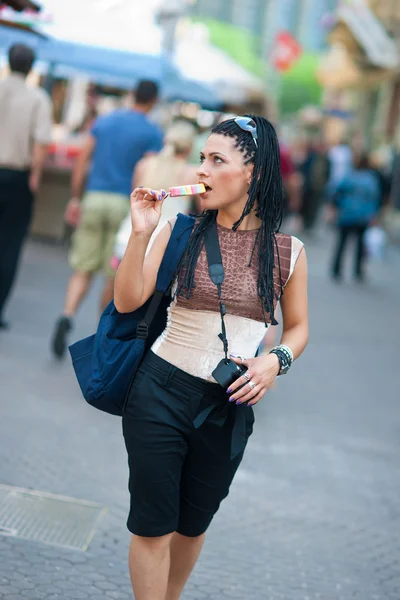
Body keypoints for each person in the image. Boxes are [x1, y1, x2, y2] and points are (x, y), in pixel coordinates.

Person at [114, 115, 309, 600]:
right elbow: (126, 302)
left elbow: (300, 328)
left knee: (192, 525)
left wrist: (275, 360)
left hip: (226, 407)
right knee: (153, 526)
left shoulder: (287, 252)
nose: (201, 169)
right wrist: (141, 234)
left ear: (254, 174)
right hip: (158, 392)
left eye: (216, 160)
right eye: (202, 157)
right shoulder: (179, 231)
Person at [51, 80, 163, 358]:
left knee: (82, 267)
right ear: (153, 101)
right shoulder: (152, 132)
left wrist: (77, 197)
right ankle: (102, 334)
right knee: (114, 274)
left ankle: (66, 314)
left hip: (95, 197)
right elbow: (147, 172)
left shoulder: (105, 121)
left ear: (132, 93)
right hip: (127, 205)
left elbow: (82, 158)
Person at [0, 43, 52, 329]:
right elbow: (42, 142)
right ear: (32, 67)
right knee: (9, 245)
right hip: (17, 178)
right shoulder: (38, 98)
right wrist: (35, 177)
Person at [111, 120, 198, 270]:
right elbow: (202, 207)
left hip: (130, 235)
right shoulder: (192, 174)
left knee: (116, 287)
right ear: (189, 148)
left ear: (165, 141)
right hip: (165, 242)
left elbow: (134, 199)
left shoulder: (144, 165)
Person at [329, 153, 380, 282]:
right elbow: (375, 198)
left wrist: (338, 206)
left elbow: (336, 191)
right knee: (360, 245)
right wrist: (373, 214)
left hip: (347, 214)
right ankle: (358, 271)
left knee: (342, 243)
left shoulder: (349, 176)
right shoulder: (371, 179)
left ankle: (336, 269)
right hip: (363, 216)